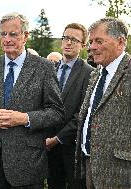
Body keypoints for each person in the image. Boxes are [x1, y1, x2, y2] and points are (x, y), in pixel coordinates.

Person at [0, 12, 65, 189]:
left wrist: (25, 118)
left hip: (27, 164)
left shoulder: (43, 67)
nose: (7, 39)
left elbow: (57, 112)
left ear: (26, 36)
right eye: (3, 34)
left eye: (13, 34)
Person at [75, 17, 131, 189]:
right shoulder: (97, 73)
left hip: (121, 172)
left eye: (99, 41)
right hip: (91, 165)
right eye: (91, 41)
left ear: (120, 42)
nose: (92, 47)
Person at [45, 23, 94, 189]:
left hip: (72, 149)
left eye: (74, 39)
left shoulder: (89, 73)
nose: (68, 42)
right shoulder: (50, 69)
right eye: (66, 38)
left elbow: (83, 112)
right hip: (47, 146)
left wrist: (57, 139)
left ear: (83, 45)